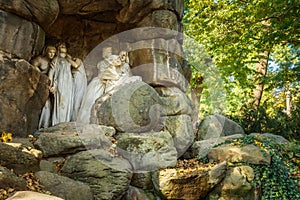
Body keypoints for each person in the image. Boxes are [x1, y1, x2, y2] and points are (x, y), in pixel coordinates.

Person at [77, 47, 122, 123]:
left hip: (110, 82)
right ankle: (88, 121)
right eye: (107, 52)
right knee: (92, 100)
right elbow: (102, 74)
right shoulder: (101, 63)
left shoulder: (115, 61)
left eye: (110, 52)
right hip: (99, 83)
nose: (109, 53)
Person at [48, 42, 76, 125]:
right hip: (60, 81)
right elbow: (51, 72)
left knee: (68, 101)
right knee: (60, 101)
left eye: (64, 47)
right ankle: (57, 122)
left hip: (69, 82)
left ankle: (66, 122)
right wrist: (51, 84)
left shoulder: (68, 58)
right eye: (61, 47)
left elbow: (75, 66)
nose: (63, 48)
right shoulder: (56, 59)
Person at [31, 45, 56, 129]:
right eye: (50, 52)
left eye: (53, 53)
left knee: (48, 104)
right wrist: (40, 74)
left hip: (48, 85)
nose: (52, 54)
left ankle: (44, 125)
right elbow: (32, 65)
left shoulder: (54, 62)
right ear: (46, 52)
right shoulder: (40, 59)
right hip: (38, 83)